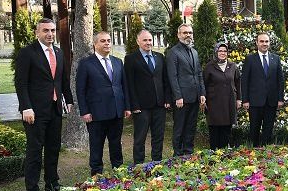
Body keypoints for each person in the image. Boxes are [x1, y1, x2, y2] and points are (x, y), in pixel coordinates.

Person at [15, 18, 74, 191]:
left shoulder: (59, 52)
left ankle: (52, 183)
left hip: (55, 109)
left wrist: (69, 100)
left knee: (53, 148)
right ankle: (32, 190)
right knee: (35, 150)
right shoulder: (27, 53)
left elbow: (63, 80)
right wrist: (26, 107)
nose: (50, 34)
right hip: (34, 112)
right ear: (37, 33)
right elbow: (21, 83)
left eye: (53, 30)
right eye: (46, 30)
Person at [76, 31, 130, 176]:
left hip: (116, 111)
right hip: (96, 114)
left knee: (116, 144)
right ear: (95, 44)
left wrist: (127, 106)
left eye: (108, 40)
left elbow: (124, 86)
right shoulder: (86, 63)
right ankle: (96, 175)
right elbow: (80, 90)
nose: (107, 43)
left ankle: (118, 172)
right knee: (96, 146)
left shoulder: (117, 62)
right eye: (103, 41)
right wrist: (84, 111)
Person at [124, 29, 171, 164]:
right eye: (145, 40)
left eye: (150, 40)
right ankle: (139, 165)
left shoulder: (159, 57)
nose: (148, 42)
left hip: (159, 105)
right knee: (140, 138)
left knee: (158, 136)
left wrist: (167, 99)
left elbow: (165, 80)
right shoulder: (131, 59)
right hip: (141, 107)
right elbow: (129, 84)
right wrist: (133, 105)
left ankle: (157, 163)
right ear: (138, 41)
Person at [166, 23, 205, 156]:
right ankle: (177, 155)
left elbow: (198, 73)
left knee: (191, 127)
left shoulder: (194, 52)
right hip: (181, 99)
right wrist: (178, 96)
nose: (188, 35)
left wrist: (202, 93)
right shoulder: (173, 52)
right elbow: (172, 76)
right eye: (185, 33)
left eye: (190, 32)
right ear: (178, 35)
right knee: (179, 128)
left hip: (194, 97)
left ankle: (188, 153)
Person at [241, 32, 285, 146]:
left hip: (271, 101)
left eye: (266, 41)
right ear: (257, 43)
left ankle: (266, 152)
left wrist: (280, 99)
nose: (264, 44)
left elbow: (280, 80)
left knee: (268, 129)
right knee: (254, 129)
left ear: (269, 43)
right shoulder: (250, 59)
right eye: (261, 41)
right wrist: (245, 100)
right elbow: (245, 81)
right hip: (255, 101)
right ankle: (253, 151)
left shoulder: (276, 58)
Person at [202, 42, 241, 149]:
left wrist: (239, 99)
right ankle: (213, 153)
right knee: (214, 132)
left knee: (226, 131)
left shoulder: (233, 66)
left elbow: (238, 83)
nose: (223, 53)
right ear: (216, 52)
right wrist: (203, 98)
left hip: (229, 103)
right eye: (220, 51)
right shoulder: (209, 67)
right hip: (214, 104)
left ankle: (223, 153)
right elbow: (203, 84)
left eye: (225, 51)